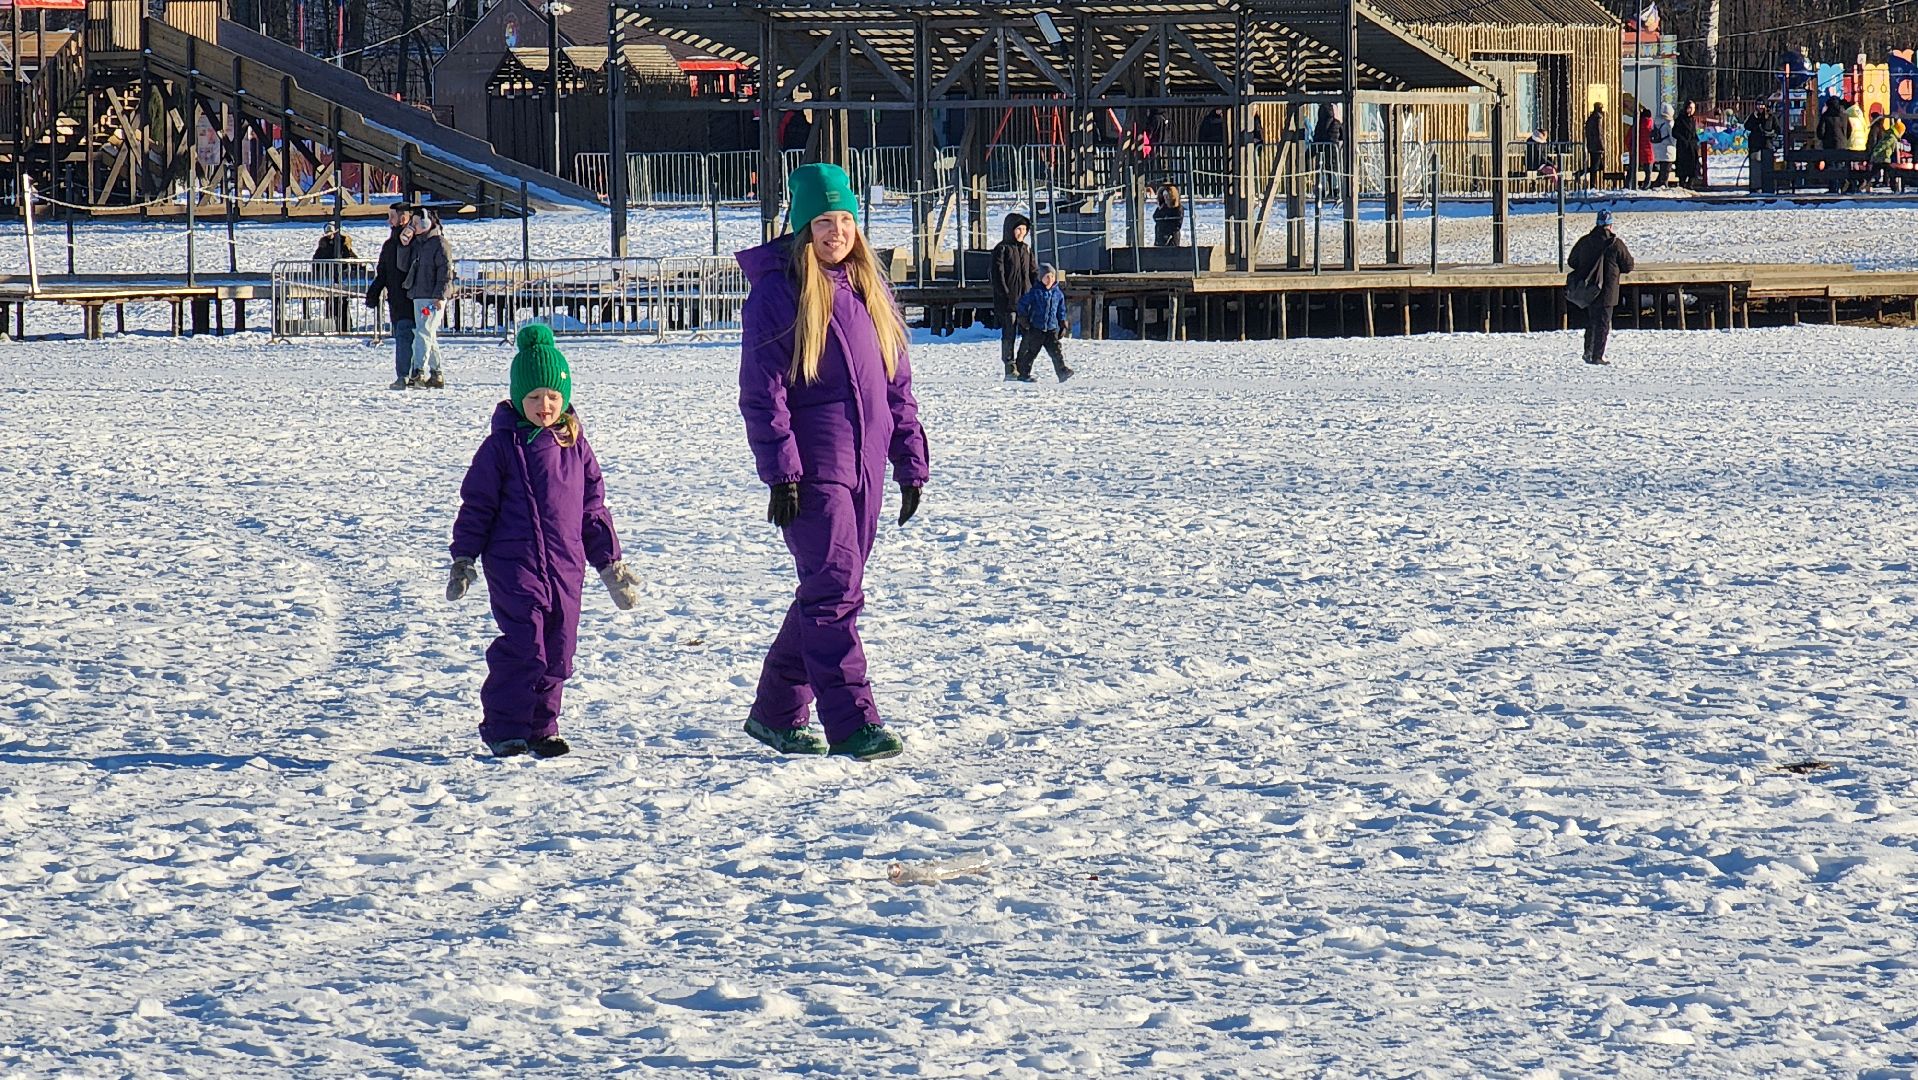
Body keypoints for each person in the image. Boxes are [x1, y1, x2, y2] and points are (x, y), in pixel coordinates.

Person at [736, 163, 930, 761]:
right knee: (835, 593)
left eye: (846, 219)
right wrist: (783, 472)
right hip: (816, 468)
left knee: (828, 590)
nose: (837, 231)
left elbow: (896, 383)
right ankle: (852, 722)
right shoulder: (779, 291)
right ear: (802, 226)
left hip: (866, 465)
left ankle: (775, 713)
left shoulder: (869, 287)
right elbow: (760, 391)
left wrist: (910, 460)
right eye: (824, 220)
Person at [446, 324, 640, 758]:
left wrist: (611, 565)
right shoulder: (500, 447)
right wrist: (464, 557)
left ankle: (543, 727)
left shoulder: (576, 447)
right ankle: (505, 727)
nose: (544, 406)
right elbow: (476, 504)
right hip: (515, 565)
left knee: (559, 650)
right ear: (518, 399)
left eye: (552, 396)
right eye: (533, 398)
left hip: (566, 567)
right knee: (524, 646)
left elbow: (593, 509)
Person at [1567, 209, 1636, 366]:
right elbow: (1628, 266)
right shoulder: (1616, 244)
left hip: (1589, 288)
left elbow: (1572, 261)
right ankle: (1597, 356)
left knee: (1591, 321)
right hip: (1608, 290)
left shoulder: (1585, 241)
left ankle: (1588, 351)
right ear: (1610, 225)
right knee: (1603, 323)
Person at [398, 207, 452, 389]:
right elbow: (403, 266)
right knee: (428, 333)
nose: (412, 227)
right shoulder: (417, 244)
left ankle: (419, 371)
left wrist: (440, 295)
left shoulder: (440, 243)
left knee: (423, 332)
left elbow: (445, 272)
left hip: (433, 297)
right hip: (418, 295)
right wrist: (404, 246)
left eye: (415, 223)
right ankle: (437, 373)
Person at [365, 202, 415, 390]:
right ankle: (409, 373)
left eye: (392, 217)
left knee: (407, 336)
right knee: (405, 336)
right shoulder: (390, 245)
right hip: (397, 299)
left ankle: (406, 375)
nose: (389, 221)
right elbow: (383, 273)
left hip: (411, 298)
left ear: (403, 218)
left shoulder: (416, 242)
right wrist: (374, 292)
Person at [990, 212, 1038, 380]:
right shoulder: (1001, 249)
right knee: (1009, 334)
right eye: (1019, 229)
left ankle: (1022, 366)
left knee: (1029, 333)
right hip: (1008, 302)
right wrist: (1005, 295)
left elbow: (1033, 272)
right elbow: (998, 275)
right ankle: (1009, 366)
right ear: (1010, 230)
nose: (1022, 233)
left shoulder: (1026, 249)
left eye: (1025, 229)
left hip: (1026, 301)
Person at [1013, 264, 1073, 384]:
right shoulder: (1035, 292)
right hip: (1037, 327)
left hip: (1051, 328)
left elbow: (1061, 309)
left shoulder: (1058, 293)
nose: (1049, 279)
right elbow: (1022, 304)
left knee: (1056, 351)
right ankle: (1023, 373)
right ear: (1041, 278)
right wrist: (1023, 318)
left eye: (1052, 276)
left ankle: (1062, 372)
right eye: (1046, 276)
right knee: (1031, 352)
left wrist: (1062, 324)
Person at [310, 222, 358, 333]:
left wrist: (356, 267)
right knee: (330, 303)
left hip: (342, 277)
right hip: (328, 278)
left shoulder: (343, 243)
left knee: (343, 302)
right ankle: (331, 326)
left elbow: (350, 256)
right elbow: (316, 260)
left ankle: (345, 327)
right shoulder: (323, 244)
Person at [1746, 104, 1778, 193]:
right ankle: (1755, 186)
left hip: (1767, 145)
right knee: (1755, 167)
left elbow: (1777, 129)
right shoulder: (1754, 117)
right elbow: (1747, 126)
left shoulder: (1771, 117)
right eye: (1758, 105)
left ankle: (1768, 186)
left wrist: (1771, 134)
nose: (1760, 107)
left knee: (1767, 167)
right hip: (1755, 145)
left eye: (1762, 105)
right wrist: (1754, 117)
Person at [1867, 111, 1904, 191]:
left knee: (1875, 172)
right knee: (1889, 172)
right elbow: (1884, 145)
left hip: (1882, 157)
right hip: (1884, 157)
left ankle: (1867, 184)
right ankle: (1893, 187)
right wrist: (1876, 151)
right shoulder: (1892, 138)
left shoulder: (1889, 134)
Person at [1674, 101, 1700, 189]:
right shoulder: (1680, 119)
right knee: (1683, 166)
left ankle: (1690, 183)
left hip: (1692, 146)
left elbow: (1693, 132)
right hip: (1683, 147)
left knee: (1694, 165)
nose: (1692, 110)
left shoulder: (1693, 119)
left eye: (1693, 108)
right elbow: (1675, 132)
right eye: (1691, 108)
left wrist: (1696, 141)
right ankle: (1682, 183)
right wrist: (1683, 140)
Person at [1584, 102, 1607, 188]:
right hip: (1596, 146)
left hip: (1591, 145)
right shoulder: (1597, 118)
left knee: (1598, 165)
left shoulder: (1590, 118)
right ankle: (1592, 183)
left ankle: (1592, 182)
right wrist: (1602, 146)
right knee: (1595, 166)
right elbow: (1599, 133)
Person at [1652, 103, 1676, 186]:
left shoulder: (1656, 121)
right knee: (1666, 170)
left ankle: (1658, 184)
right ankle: (1662, 185)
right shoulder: (1669, 123)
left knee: (1662, 169)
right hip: (1667, 149)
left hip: (1657, 148)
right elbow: (1672, 137)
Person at [1636, 107, 1655, 187]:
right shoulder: (1651, 127)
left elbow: (1628, 138)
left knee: (1633, 170)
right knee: (1648, 172)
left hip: (1638, 151)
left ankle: (1630, 185)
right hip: (1649, 152)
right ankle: (1646, 186)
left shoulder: (1637, 126)